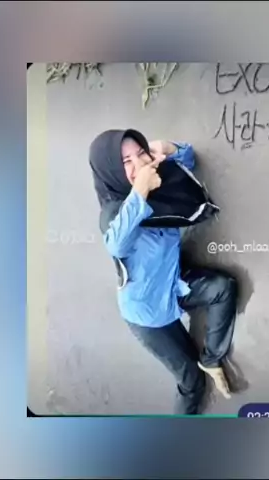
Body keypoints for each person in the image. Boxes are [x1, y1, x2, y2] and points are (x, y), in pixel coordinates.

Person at [89, 128, 238, 415]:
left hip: (173, 285)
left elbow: (187, 159)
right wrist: (141, 190)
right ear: (111, 170)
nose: (139, 165)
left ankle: (211, 359)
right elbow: (115, 243)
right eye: (126, 161)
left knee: (223, 287)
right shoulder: (114, 212)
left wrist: (166, 148)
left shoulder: (157, 182)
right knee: (192, 383)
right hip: (148, 315)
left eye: (140, 154)